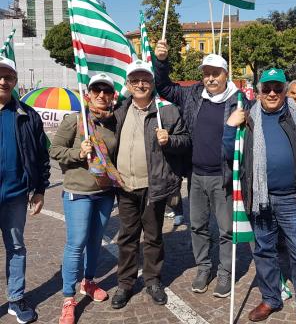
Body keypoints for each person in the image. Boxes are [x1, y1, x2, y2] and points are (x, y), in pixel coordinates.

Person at [153, 42, 251, 298]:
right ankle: (203, 267)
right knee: (197, 226)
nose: (210, 78)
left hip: (224, 177)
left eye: (215, 73)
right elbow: (162, 87)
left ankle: (225, 272)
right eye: (206, 73)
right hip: (196, 175)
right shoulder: (193, 94)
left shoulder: (239, 101)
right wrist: (161, 62)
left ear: (225, 74)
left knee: (226, 229)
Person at [223, 68, 296, 324]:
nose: (273, 93)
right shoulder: (248, 118)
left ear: (285, 91)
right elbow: (228, 153)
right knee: (264, 251)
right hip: (259, 198)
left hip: (291, 198)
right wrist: (230, 127)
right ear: (259, 92)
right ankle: (271, 299)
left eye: (278, 88)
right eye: (267, 88)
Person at [111, 59, 190, 309]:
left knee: (154, 236)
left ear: (152, 83)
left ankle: (153, 280)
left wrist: (171, 141)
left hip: (153, 185)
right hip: (125, 185)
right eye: (135, 80)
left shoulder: (167, 111)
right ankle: (124, 283)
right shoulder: (119, 110)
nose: (141, 84)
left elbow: (185, 140)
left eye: (145, 79)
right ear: (128, 85)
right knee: (127, 237)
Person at [50, 73, 122, 324]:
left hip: (104, 192)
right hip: (78, 192)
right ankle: (68, 298)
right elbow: (55, 150)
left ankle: (88, 283)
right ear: (88, 93)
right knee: (77, 243)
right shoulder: (75, 119)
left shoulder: (113, 122)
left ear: (113, 96)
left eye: (106, 91)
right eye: (96, 90)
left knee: (94, 241)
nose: (101, 95)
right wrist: (78, 153)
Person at [0, 57, 50, 324]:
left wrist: (40, 189)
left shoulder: (27, 115)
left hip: (15, 197)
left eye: (8, 76)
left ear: (15, 82)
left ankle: (16, 299)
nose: (3, 80)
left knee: (16, 248)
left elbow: (42, 156)